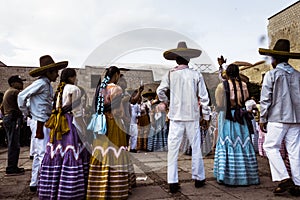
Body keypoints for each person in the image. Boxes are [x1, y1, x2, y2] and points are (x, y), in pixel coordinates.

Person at [156, 41, 210, 193]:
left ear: (176, 60)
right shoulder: (195, 74)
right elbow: (204, 97)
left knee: (173, 149)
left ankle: (172, 181)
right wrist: (205, 115)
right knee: (196, 147)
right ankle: (199, 178)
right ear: (188, 59)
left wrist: (167, 102)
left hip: (176, 116)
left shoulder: (170, 74)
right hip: (192, 116)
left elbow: (160, 91)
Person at [18, 55, 68, 192]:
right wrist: (27, 113)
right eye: (55, 72)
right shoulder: (40, 83)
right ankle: (41, 182)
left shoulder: (46, 84)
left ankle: (36, 181)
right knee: (42, 153)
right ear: (48, 72)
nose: (57, 75)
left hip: (43, 121)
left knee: (40, 153)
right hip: (40, 122)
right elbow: (21, 96)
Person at [38, 68, 90, 199]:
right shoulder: (74, 89)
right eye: (75, 76)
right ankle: (70, 191)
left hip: (58, 125)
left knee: (57, 153)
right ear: (72, 77)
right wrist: (84, 129)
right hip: (69, 123)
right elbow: (77, 113)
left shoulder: (60, 90)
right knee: (72, 151)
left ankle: (52, 189)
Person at [87, 66, 136, 199]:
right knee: (116, 152)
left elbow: (96, 107)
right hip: (114, 123)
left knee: (101, 152)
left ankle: (98, 186)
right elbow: (117, 111)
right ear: (117, 75)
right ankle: (115, 189)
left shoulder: (100, 88)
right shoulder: (117, 89)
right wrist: (125, 118)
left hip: (101, 125)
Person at [259, 39, 300, 196]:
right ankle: (298, 183)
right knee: (294, 151)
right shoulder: (297, 75)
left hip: (278, 118)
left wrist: (262, 118)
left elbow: (265, 99)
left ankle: (284, 178)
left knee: (270, 147)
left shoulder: (272, 74)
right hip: (296, 119)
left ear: (274, 59)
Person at [213, 64, 260, 186]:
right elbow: (246, 100)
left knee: (227, 141)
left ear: (227, 74)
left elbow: (219, 104)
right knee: (243, 142)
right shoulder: (244, 85)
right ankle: (246, 175)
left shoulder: (221, 86)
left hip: (227, 116)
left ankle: (226, 175)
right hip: (241, 116)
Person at [1, 75, 26, 175]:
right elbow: (23, 103)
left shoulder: (7, 92)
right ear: (13, 83)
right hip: (13, 118)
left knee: (12, 142)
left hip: (8, 117)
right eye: (19, 82)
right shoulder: (14, 92)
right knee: (14, 144)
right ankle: (11, 168)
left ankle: (12, 166)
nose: (22, 84)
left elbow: (2, 108)